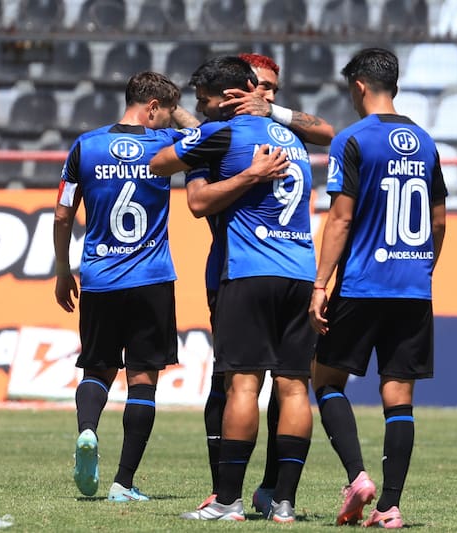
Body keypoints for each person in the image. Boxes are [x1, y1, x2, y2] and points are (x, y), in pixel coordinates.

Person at [150, 56, 318, 523]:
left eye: (205, 104)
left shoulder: (220, 133)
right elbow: (327, 133)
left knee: (242, 384)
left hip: (250, 272)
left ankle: (227, 500)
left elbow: (165, 168)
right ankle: (283, 502)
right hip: (301, 272)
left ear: (227, 99)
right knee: (295, 389)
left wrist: (236, 171)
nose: (202, 112)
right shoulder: (293, 141)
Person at [189, 52, 335, 518]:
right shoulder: (238, 130)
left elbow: (178, 167)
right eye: (260, 87)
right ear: (242, 88)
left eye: (272, 88)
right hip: (276, 270)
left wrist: (265, 112)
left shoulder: (269, 128)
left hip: (247, 271)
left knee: (244, 384)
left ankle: (252, 493)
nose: (265, 94)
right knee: (249, 384)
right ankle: (249, 493)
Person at [308, 47, 447, 528]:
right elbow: (438, 218)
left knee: (324, 380)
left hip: (364, 283)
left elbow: (341, 219)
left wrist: (321, 284)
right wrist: (424, 267)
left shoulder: (352, 139)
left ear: (360, 87)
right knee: (398, 395)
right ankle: (389, 507)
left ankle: (356, 477)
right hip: (412, 286)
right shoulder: (426, 142)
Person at [53, 71, 187, 503]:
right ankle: (123, 483)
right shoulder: (166, 147)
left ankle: (88, 431)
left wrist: (61, 270)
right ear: (152, 108)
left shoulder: (85, 146)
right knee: (143, 378)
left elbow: (61, 214)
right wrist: (180, 118)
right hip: (150, 279)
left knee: (97, 369)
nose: (169, 121)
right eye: (165, 112)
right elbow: (211, 139)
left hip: (100, 277)